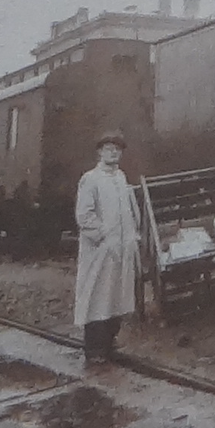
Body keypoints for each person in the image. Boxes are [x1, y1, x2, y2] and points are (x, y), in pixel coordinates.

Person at [73, 130, 141, 366]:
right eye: (108, 148)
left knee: (116, 298)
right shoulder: (91, 179)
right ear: (100, 152)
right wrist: (102, 236)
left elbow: (129, 210)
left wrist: (132, 236)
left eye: (117, 149)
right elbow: (84, 215)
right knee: (97, 298)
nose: (113, 152)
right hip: (100, 252)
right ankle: (93, 348)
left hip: (122, 249)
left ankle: (110, 342)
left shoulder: (121, 178)